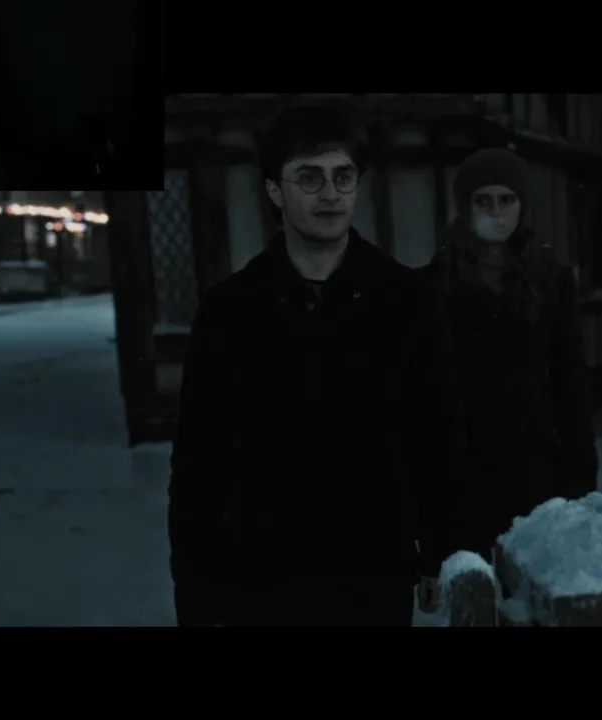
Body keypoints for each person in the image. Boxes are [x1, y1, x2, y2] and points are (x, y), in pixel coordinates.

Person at [168, 102, 461, 626]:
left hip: (372, 571)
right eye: (309, 177)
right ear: (274, 190)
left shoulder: (405, 301)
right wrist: (196, 593)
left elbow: (436, 436)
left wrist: (438, 549)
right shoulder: (232, 310)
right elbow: (199, 465)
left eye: (343, 176)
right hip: (261, 576)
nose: (330, 193)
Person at [419, 147, 599, 601]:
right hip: (461, 471)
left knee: (535, 599)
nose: (496, 212)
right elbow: (422, 395)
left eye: (506, 200)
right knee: (473, 599)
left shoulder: (549, 280)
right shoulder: (435, 282)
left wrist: (580, 483)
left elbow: (570, 383)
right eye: (483, 200)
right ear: (465, 207)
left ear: (522, 206)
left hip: (534, 467)